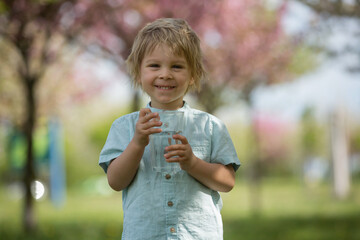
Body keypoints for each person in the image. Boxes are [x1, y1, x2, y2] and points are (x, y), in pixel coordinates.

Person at [99, 18, 240, 240]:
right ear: (138, 72)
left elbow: (227, 182)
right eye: (154, 65)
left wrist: (193, 163)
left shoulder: (210, 126)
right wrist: (137, 143)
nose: (165, 74)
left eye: (177, 66)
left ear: (193, 74)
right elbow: (116, 182)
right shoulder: (124, 127)